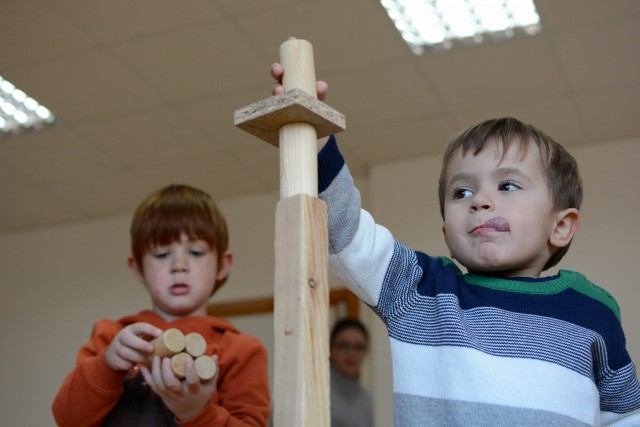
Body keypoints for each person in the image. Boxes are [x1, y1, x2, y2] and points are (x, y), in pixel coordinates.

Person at [270, 62, 640, 426]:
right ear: (448, 235)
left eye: (507, 185)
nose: (480, 200)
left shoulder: (594, 311)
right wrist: (315, 139)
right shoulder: (420, 292)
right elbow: (346, 233)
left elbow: (626, 416)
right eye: (462, 191)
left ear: (560, 226)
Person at [52, 184, 270, 426]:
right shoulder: (111, 337)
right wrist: (106, 365)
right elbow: (67, 419)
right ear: (138, 268)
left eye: (196, 252)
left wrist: (197, 412)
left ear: (222, 264)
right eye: (161, 254)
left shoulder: (242, 350)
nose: (179, 265)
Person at [329, 318, 373, 427]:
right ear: (331, 349)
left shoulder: (365, 399)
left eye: (358, 347)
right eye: (343, 346)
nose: (351, 354)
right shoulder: (318, 389)